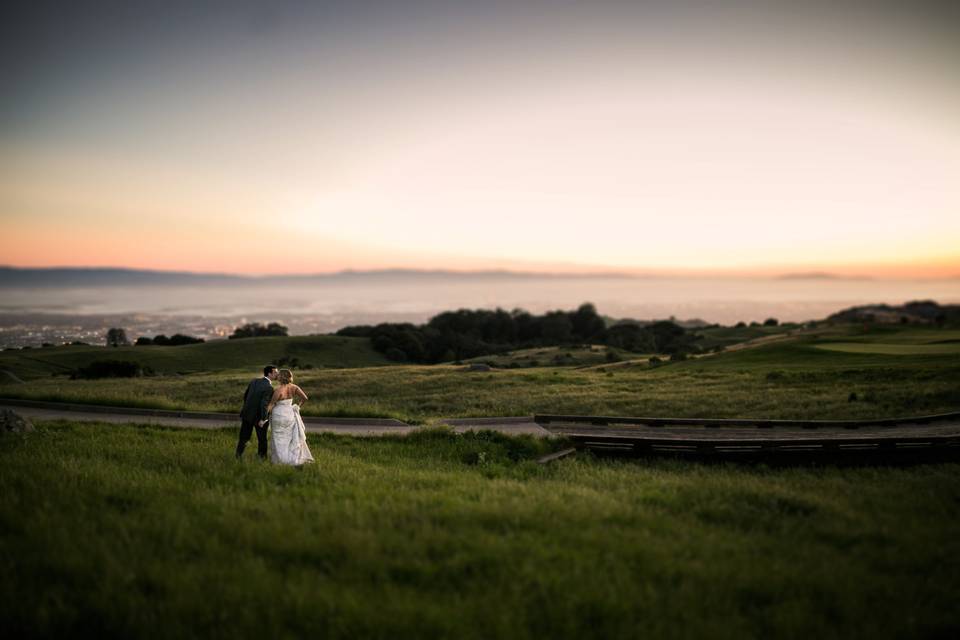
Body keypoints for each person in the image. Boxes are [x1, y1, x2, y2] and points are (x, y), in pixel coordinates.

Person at [266, 368, 314, 467]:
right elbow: (305, 398)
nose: (277, 376)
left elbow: (271, 405)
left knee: (279, 439)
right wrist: (298, 406)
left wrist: (263, 416)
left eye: (278, 374)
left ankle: (282, 461)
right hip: (290, 415)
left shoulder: (278, 390)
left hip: (279, 416)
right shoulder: (294, 387)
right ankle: (292, 459)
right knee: (289, 439)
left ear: (281, 377)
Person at [236, 365, 278, 459]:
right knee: (262, 439)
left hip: (246, 414)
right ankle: (262, 458)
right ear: (269, 373)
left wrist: (248, 408)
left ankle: (238, 456)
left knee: (244, 437)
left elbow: (246, 396)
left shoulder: (254, 381)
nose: (277, 374)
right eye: (275, 372)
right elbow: (264, 404)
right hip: (259, 417)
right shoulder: (269, 388)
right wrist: (264, 419)